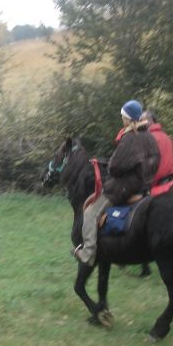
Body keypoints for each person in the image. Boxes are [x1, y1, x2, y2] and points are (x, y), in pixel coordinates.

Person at [73, 100, 159, 266]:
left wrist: (111, 165)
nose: (122, 120)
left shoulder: (130, 138)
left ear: (128, 118)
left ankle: (88, 253)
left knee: (90, 212)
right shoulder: (149, 136)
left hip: (125, 186)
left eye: (123, 116)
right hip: (145, 185)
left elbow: (115, 167)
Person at [142, 110, 173, 188]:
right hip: (171, 178)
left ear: (148, 121)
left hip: (156, 181)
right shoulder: (167, 137)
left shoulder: (148, 138)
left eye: (141, 120)